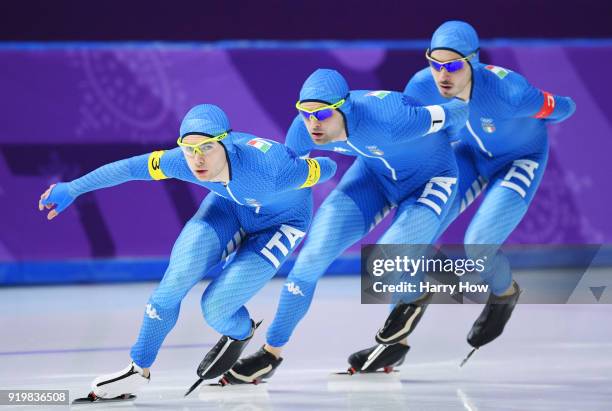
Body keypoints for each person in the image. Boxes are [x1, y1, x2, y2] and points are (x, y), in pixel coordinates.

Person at [38, 104, 337, 400]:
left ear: (227, 144)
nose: (198, 159)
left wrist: (305, 165)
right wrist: (73, 188)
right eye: (190, 148)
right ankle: (137, 368)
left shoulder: (270, 170)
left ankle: (241, 330)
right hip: (229, 209)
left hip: (282, 222)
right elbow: (128, 169)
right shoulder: (181, 161)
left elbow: (328, 168)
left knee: (216, 308)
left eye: (207, 147)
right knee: (175, 279)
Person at [348, 20, 576, 372]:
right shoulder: (422, 86)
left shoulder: (510, 92)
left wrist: (535, 114)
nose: (443, 74)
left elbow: (565, 107)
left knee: (479, 245)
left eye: (453, 65)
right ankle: (396, 343)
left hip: (519, 158)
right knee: (415, 237)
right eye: (435, 63)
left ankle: (503, 293)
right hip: (469, 154)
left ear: (473, 61)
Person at [221, 68, 470, 384]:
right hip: (373, 178)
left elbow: (459, 110)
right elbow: (286, 184)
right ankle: (270, 354)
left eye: (322, 114)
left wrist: (453, 139)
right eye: (306, 113)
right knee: (308, 263)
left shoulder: (391, 119)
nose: (313, 123)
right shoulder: (302, 130)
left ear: (345, 108)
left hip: (431, 179)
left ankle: (414, 297)